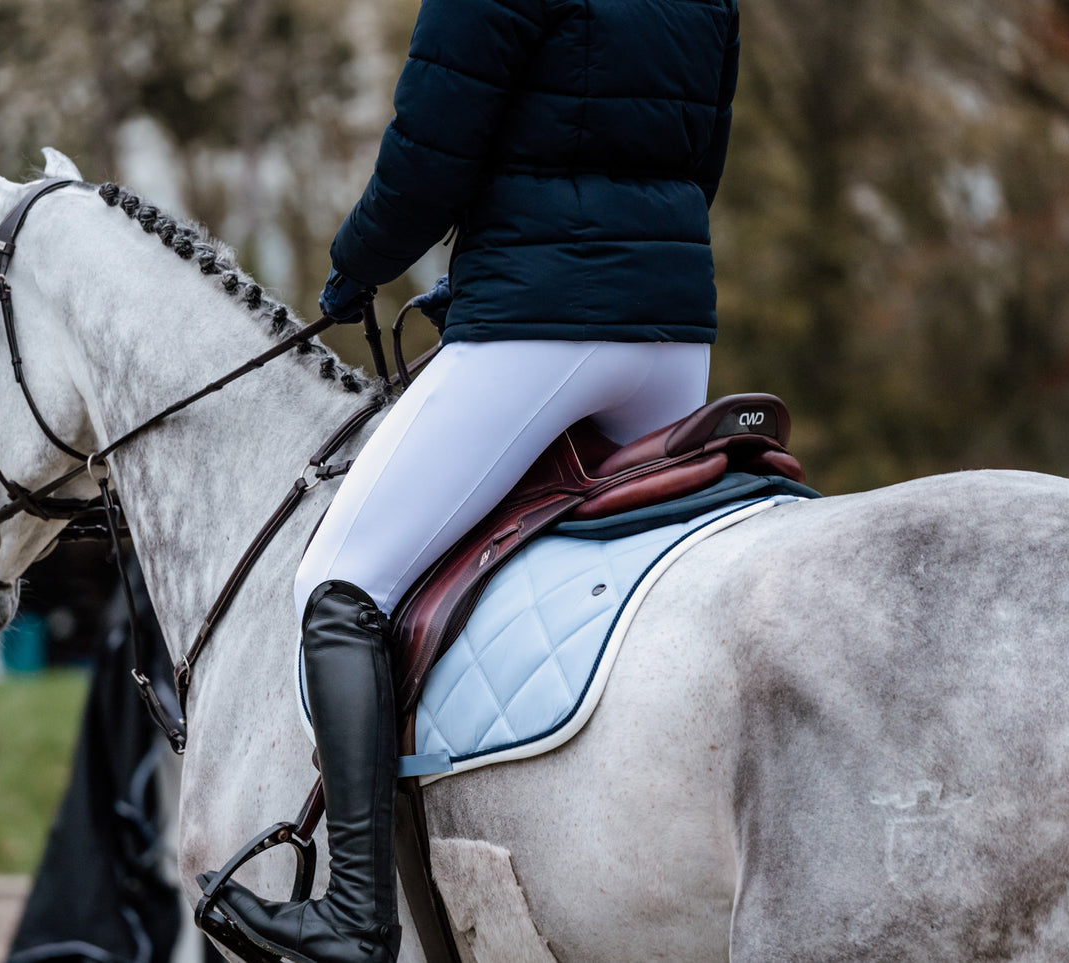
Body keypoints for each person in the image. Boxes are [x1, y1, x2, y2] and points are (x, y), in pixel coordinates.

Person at [203, 0, 740, 959]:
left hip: (546, 322)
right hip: (673, 334)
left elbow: (431, 154)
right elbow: (702, 159)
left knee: (338, 581)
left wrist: (356, 266)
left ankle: (354, 914)